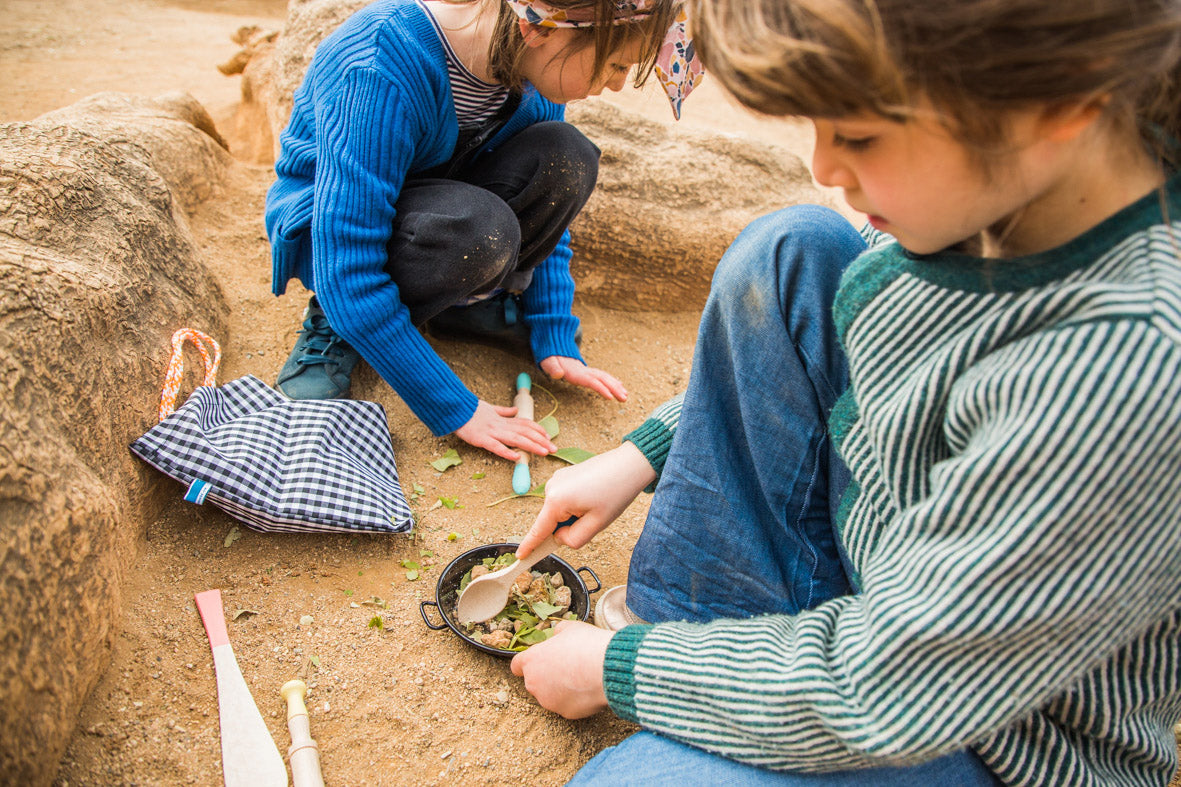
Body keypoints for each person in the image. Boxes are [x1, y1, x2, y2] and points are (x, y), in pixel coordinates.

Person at [509, 0, 1181, 784]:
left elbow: (895, 685)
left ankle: (709, 685)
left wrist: (621, 668)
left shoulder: (1121, 372)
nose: (825, 166)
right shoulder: (1021, 187)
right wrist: (641, 452)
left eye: (859, 136)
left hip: (991, 727)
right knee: (790, 248)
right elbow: (857, 296)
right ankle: (714, 660)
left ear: (1057, 103)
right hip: (896, 573)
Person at [264, 0, 702, 461]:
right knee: (477, 232)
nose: (616, 83)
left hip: (445, 206)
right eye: (616, 64)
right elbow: (346, 263)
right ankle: (335, 325)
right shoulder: (378, 63)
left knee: (565, 155)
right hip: (333, 233)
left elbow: (554, 223)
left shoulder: (535, 67)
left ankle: (460, 304)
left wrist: (552, 333)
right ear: (541, 31)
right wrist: (458, 409)